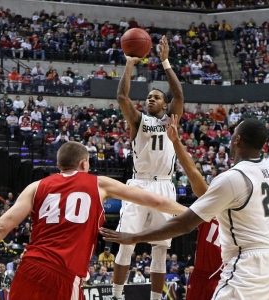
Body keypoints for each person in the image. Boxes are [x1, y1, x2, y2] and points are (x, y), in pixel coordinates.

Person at [101, 118, 269, 299]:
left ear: (237, 140)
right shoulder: (268, 173)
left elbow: (184, 224)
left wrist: (135, 237)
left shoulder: (233, 178)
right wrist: (176, 142)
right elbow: (196, 179)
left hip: (247, 266)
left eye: (234, 132)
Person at [0, 142, 187, 300]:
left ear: (58, 164)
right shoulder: (99, 183)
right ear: (83, 164)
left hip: (28, 268)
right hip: (63, 273)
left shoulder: (36, 186)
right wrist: (195, 213)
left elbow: (2, 226)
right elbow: (157, 200)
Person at [110, 35, 184, 300]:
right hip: (139, 183)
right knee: (126, 242)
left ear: (165, 105)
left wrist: (165, 61)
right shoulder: (138, 120)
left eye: (156, 97)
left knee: (161, 248)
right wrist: (129, 63)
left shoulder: (171, 118)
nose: (151, 99)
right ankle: (117, 295)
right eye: (149, 97)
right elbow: (121, 96)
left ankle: (156, 298)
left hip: (164, 183)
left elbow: (178, 94)